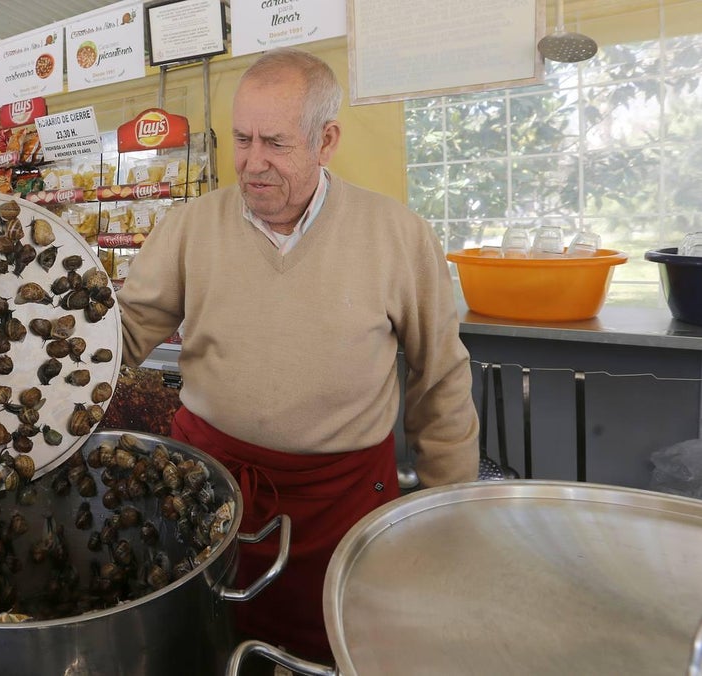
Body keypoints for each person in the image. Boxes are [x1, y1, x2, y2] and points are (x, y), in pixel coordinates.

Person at [117, 48, 479, 663]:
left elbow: (438, 376)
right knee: (200, 643)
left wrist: (449, 516)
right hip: (206, 493)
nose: (252, 163)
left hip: (340, 504)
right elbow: (122, 335)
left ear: (326, 140)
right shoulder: (188, 227)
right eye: (241, 139)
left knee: (333, 650)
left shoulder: (396, 235)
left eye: (275, 143)